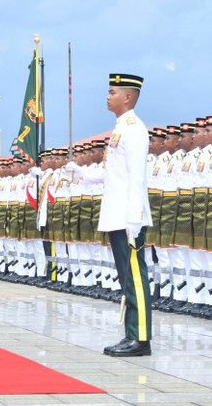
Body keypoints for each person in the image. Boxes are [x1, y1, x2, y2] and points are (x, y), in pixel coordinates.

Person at [68, 73, 152, 356]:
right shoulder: (120, 129)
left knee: (135, 277)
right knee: (127, 278)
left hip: (129, 216)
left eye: (112, 92)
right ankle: (132, 334)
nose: (107, 96)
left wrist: (134, 218)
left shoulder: (134, 129)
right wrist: (82, 173)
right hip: (117, 214)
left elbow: (137, 177)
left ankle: (140, 339)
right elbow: (112, 174)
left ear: (127, 97)